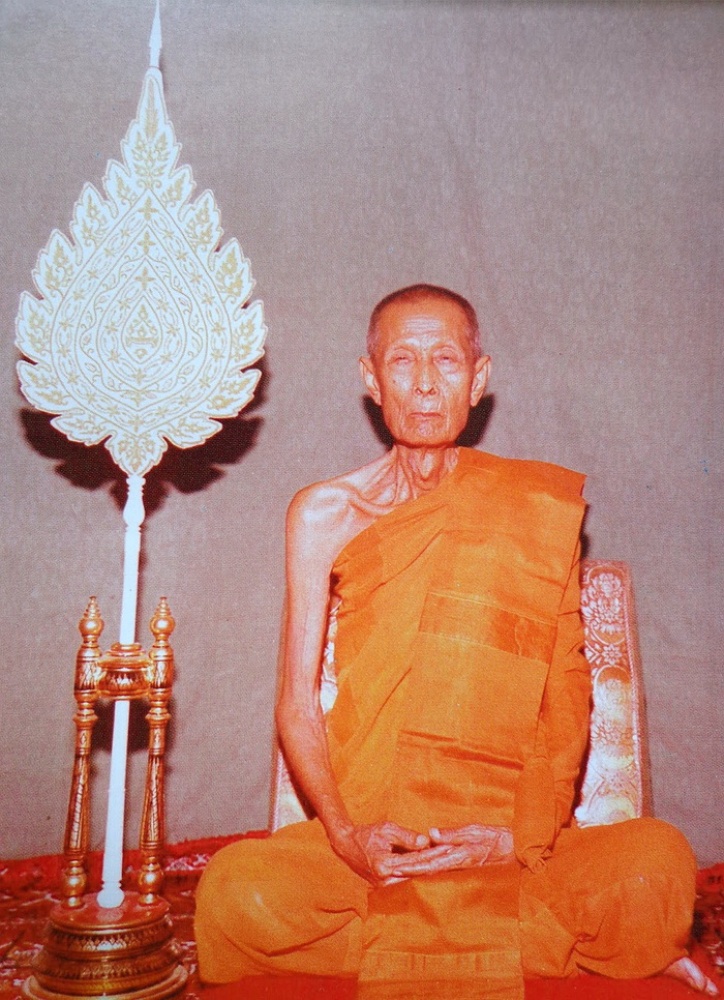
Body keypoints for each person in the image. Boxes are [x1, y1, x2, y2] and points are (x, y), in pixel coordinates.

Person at [195, 284, 716, 998]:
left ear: (478, 378)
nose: (425, 383)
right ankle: (527, 943)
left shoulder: (534, 507)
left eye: (445, 360)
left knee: (657, 863)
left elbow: (567, 696)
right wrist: (348, 838)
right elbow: (296, 706)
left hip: (502, 840)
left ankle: (420, 940)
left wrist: (514, 839)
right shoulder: (323, 514)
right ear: (371, 379)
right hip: (377, 843)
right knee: (236, 891)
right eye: (402, 361)